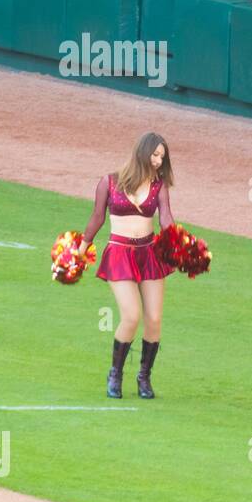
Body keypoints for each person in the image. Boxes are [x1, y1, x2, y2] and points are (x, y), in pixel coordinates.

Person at [78, 132, 177, 400]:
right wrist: (81, 248)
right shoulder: (109, 182)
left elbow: (166, 218)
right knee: (131, 315)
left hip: (149, 254)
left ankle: (144, 377)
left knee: (154, 319)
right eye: (155, 154)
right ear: (142, 152)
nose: (158, 161)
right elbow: (97, 218)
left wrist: (177, 243)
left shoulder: (159, 186)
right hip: (119, 254)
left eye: (162, 157)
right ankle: (115, 374)